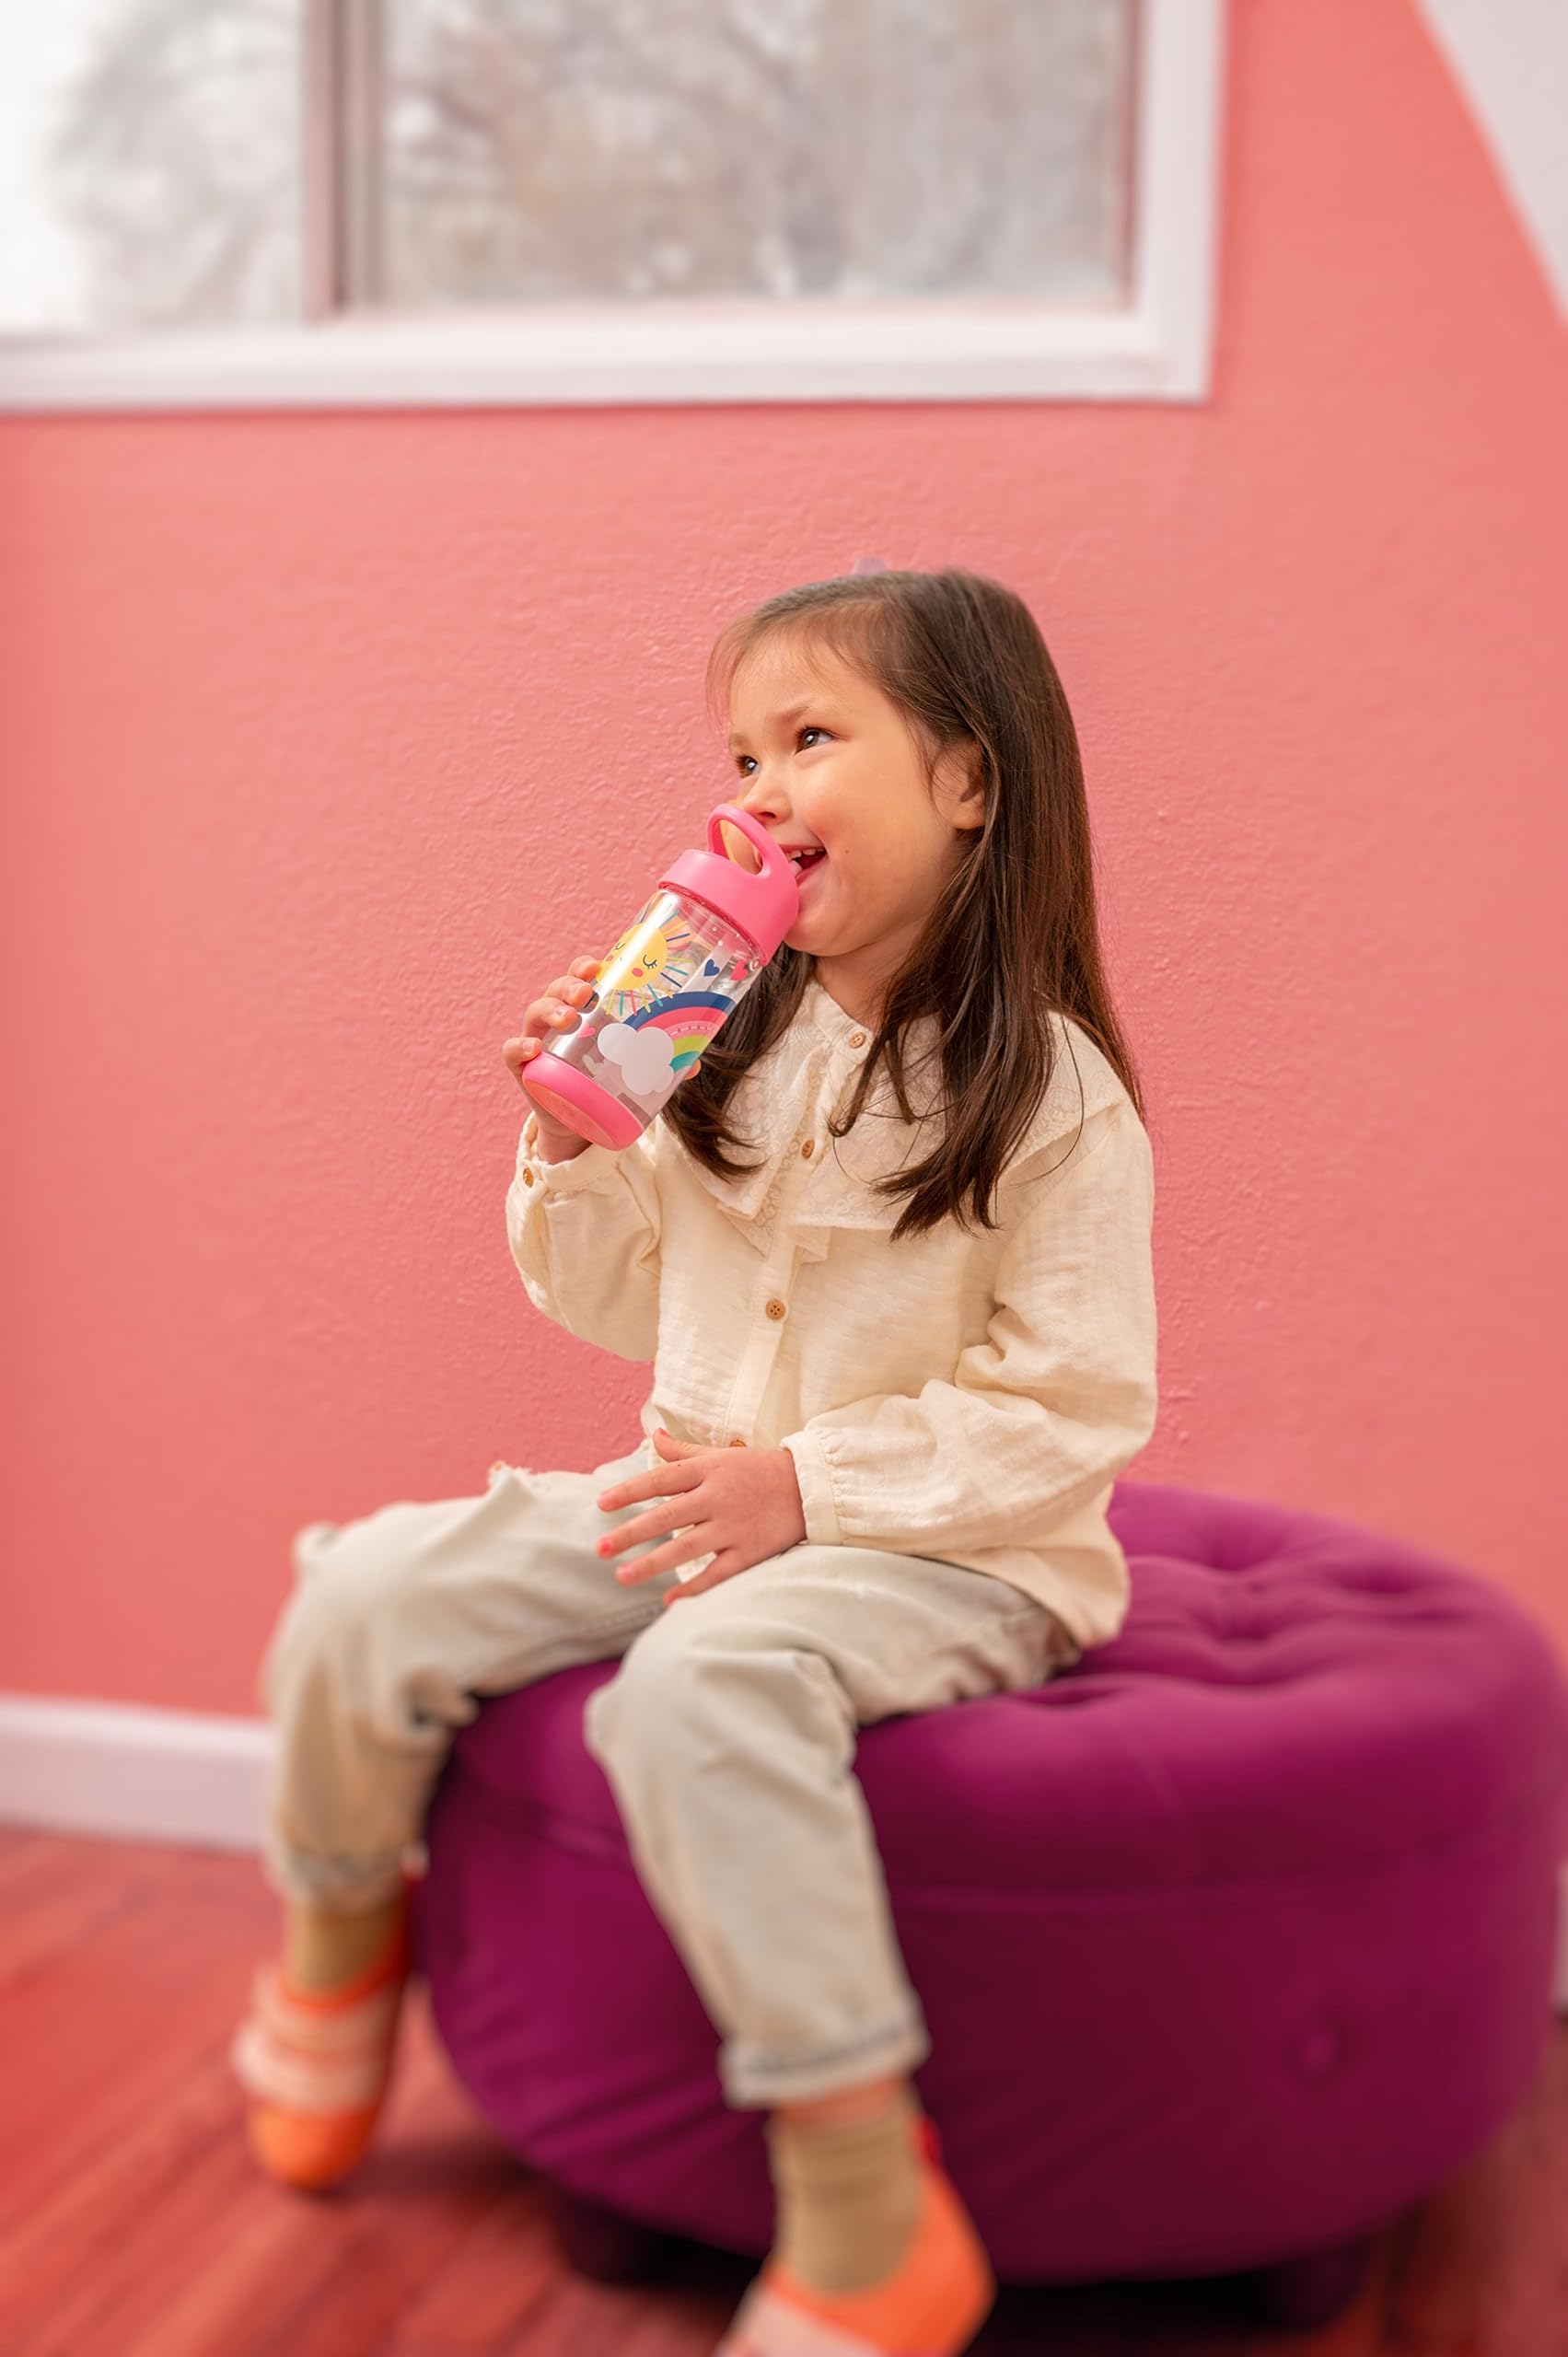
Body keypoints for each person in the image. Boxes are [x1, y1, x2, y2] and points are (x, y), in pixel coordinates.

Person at [230, 565, 1158, 2357]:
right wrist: (568, 1139)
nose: (760, 790)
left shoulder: (1051, 1095)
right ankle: (340, 1945)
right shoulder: (719, 1029)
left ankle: (865, 2198)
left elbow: (1073, 1407)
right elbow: (610, 1290)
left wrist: (804, 1488)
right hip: (697, 1493)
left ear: (967, 779)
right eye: (742, 752)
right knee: (363, 1586)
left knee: (695, 1688)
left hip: (950, 1551)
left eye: (812, 739)